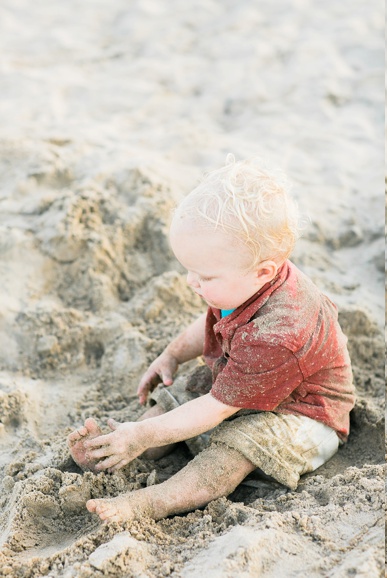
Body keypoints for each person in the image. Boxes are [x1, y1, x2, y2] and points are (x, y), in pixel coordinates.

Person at [68, 157, 355, 523]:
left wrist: (141, 433)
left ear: (263, 271)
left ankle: (153, 501)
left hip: (304, 413)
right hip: (250, 378)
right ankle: (113, 452)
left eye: (204, 275)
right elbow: (212, 319)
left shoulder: (279, 334)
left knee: (231, 453)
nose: (191, 282)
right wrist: (171, 355)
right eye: (189, 270)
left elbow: (215, 409)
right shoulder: (244, 282)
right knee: (176, 399)